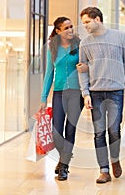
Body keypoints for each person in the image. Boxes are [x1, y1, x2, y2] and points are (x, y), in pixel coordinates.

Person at [77, 7, 125, 184]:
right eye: (83, 23)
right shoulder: (85, 43)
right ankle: (104, 170)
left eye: (87, 22)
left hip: (116, 92)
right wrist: (85, 93)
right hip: (95, 94)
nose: (85, 26)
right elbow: (82, 70)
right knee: (98, 133)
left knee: (114, 131)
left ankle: (115, 159)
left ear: (98, 19)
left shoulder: (119, 37)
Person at [39, 17, 84, 181]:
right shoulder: (53, 48)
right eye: (66, 28)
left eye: (71, 27)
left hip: (76, 93)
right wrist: (44, 97)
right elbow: (49, 73)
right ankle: (62, 157)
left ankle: (64, 165)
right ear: (58, 31)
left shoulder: (79, 45)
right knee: (56, 130)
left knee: (70, 129)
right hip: (59, 93)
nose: (70, 30)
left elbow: (88, 66)